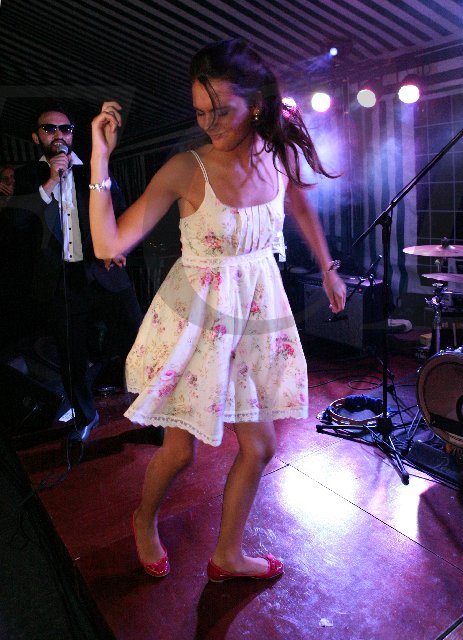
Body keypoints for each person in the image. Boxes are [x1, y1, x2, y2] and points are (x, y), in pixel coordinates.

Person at [89, 39, 346, 581]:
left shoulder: (279, 156)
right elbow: (109, 243)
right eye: (200, 112)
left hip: (253, 315)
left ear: (256, 104)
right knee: (180, 452)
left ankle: (227, 554)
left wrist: (327, 267)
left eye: (221, 111)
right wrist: (100, 159)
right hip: (197, 320)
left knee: (261, 446)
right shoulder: (187, 169)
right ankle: (143, 518)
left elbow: (301, 205)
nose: (208, 124)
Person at [8, 106, 143, 441]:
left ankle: (153, 413)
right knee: (71, 355)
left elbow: (120, 212)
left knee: (137, 342)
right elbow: (17, 224)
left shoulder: (95, 168)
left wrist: (121, 248)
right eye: (49, 129)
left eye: (65, 129)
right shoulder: (26, 177)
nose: (59, 135)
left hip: (105, 273)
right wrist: (51, 181)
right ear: (36, 136)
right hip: (61, 281)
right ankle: (85, 416)